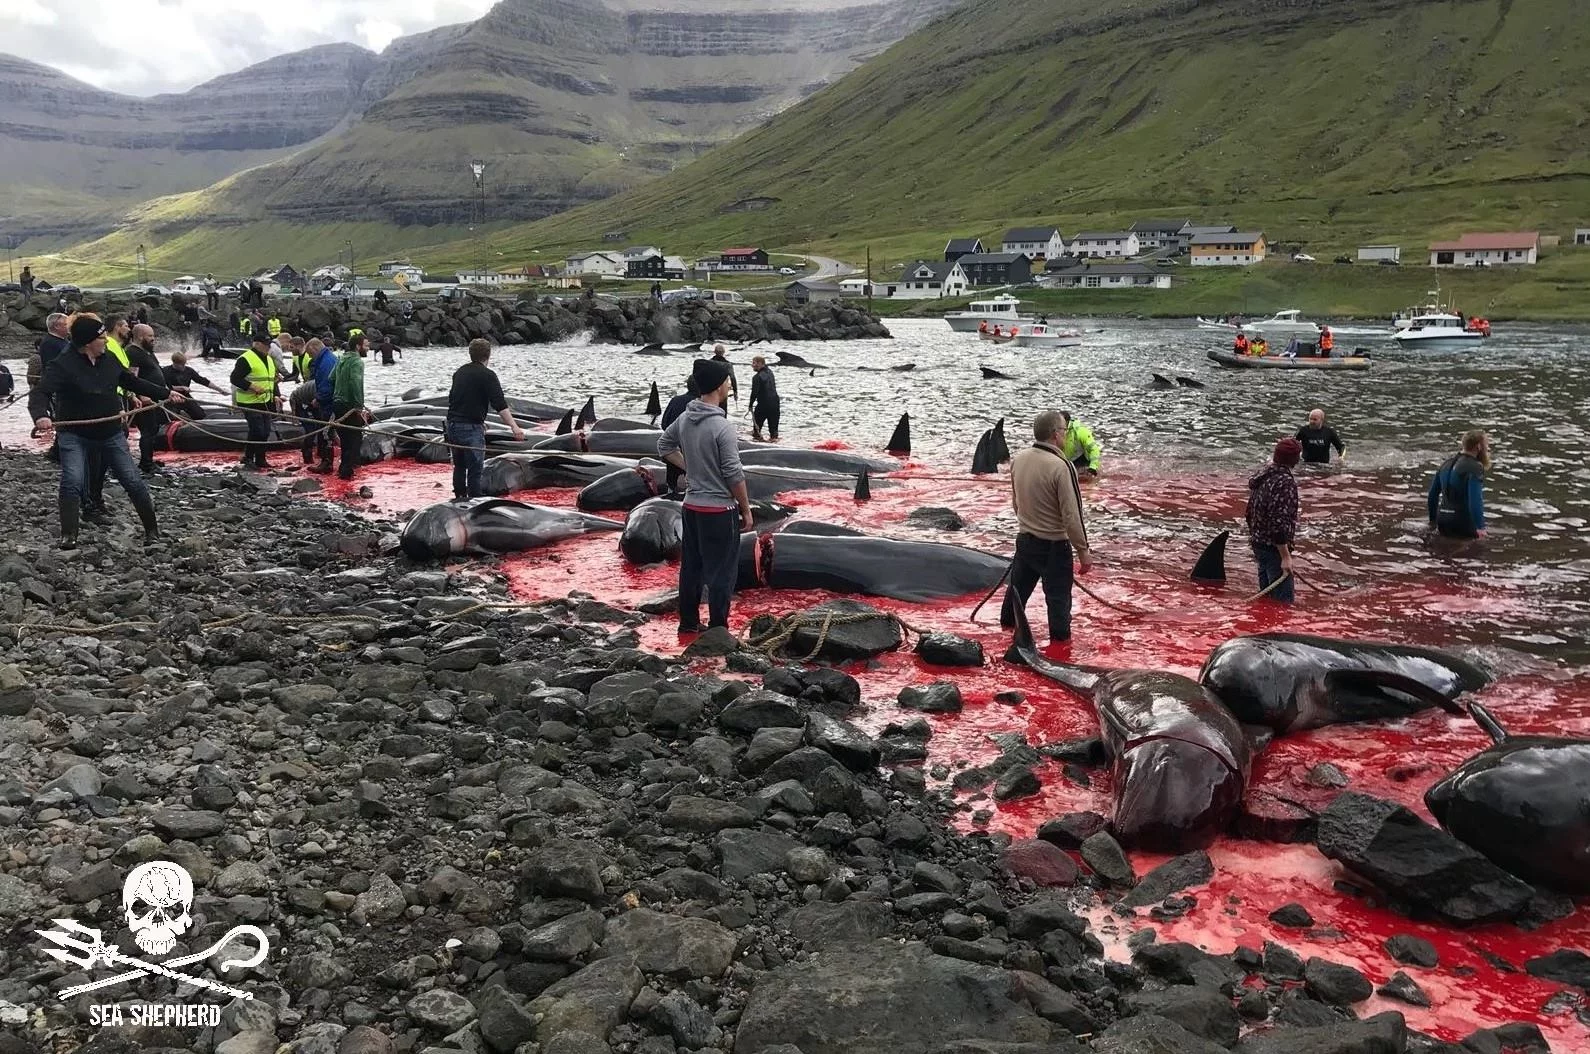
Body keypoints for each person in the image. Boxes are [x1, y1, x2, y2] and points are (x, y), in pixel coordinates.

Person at [29, 315, 180, 548]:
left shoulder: (108, 359)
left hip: (110, 433)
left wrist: (165, 393)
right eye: (101, 338)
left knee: (132, 480)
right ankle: (69, 536)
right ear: (88, 342)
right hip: (74, 434)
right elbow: (40, 393)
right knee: (72, 480)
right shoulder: (62, 364)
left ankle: (152, 531)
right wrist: (41, 416)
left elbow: (131, 381)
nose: (106, 342)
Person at [658, 359, 754, 633]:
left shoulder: (686, 418)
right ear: (718, 386)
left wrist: (691, 466)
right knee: (722, 572)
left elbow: (663, 445)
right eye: (726, 381)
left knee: (691, 569)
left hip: (691, 507)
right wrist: (745, 509)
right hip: (719, 511)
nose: (729, 385)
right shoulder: (722, 427)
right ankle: (718, 629)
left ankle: (688, 624)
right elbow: (733, 473)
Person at [1000, 410, 1094, 651]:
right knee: (1058, 604)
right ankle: (1060, 652)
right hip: (1054, 547)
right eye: (1063, 430)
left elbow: (1016, 504)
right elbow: (1072, 515)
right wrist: (1083, 550)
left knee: (1016, 595)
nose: (1065, 435)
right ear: (1055, 435)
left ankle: (1004, 636)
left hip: (1025, 540)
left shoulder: (1019, 459)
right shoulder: (1062, 466)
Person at [446, 338, 525, 500]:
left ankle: (459, 497)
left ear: (471, 354)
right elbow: (500, 405)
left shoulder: (459, 372)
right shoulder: (488, 375)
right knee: (475, 468)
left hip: (453, 424)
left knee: (459, 465)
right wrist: (514, 427)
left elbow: (455, 399)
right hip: (470, 428)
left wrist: (479, 420)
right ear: (488, 355)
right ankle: (475, 500)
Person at [1246, 437, 1301, 604]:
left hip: (1258, 543)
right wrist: (1285, 556)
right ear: (1293, 459)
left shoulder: (1263, 476)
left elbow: (1249, 512)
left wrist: (1255, 536)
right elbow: (1279, 522)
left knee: (1265, 600)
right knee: (1283, 605)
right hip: (1273, 549)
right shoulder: (1285, 482)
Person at [230, 334, 281, 469]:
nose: (268, 347)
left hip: (265, 401)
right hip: (249, 401)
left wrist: (276, 395)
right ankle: (249, 457)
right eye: (265, 344)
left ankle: (259, 459)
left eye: (269, 344)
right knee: (257, 430)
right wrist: (252, 387)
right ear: (256, 344)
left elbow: (271, 381)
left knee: (265, 431)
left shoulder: (269, 360)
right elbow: (234, 379)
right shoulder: (245, 359)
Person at [1428, 430, 1490, 540]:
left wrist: (1432, 521)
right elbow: (1475, 500)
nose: (1487, 448)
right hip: (1462, 521)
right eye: (1486, 445)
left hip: (1442, 520)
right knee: (1477, 552)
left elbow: (1432, 496)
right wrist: (1480, 527)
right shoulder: (1475, 466)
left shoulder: (1445, 464)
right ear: (1479, 446)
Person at [124, 324, 168, 473]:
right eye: (150, 336)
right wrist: (141, 396)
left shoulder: (148, 352)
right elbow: (132, 377)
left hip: (155, 398)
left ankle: (149, 459)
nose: (153, 339)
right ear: (140, 336)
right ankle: (146, 463)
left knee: (153, 428)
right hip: (144, 400)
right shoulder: (133, 352)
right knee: (147, 430)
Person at [330, 335, 369, 481]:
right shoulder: (356, 361)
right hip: (350, 405)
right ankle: (347, 471)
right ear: (358, 347)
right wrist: (359, 406)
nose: (368, 348)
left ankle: (343, 468)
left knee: (345, 439)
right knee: (355, 439)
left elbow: (331, 378)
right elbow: (355, 383)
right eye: (366, 345)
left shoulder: (341, 358)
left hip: (337, 402)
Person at [298, 339, 338, 471]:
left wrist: (318, 399)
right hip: (328, 401)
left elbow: (326, 385)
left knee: (326, 433)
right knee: (326, 432)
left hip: (328, 403)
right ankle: (325, 459)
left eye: (310, 353)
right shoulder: (328, 359)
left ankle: (327, 463)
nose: (309, 356)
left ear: (315, 349)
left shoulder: (325, 363)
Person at [162, 352, 225, 420]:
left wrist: (220, 390)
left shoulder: (189, 370)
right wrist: (180, 388)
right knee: (171, 416)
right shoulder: (165, 371)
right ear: (174, 363)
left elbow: (203, 381)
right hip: (171, 398)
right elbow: (164, 386)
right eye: (181, 365)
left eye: (184, 364)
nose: (183, 367)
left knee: (200, 415)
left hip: (185, 397)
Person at [1057, 411, 1101, 476]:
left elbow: (1094, 449)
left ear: (1066, 421)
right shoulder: (1053, 432)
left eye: (1059, 422)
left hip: (1082, 462)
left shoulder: (1080, 431)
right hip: (1066, 462)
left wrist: (1093, 467)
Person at [747, 356, 780, 442]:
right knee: (774, 431)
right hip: (775, 403)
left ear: (761, 364)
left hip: (763, 405)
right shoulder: (770, 372)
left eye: (754, 363)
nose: (753, 365)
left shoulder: (756, 377)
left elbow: (754, 392)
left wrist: (750, 405)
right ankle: (774, 443)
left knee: (757, 430)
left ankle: (757, 442)